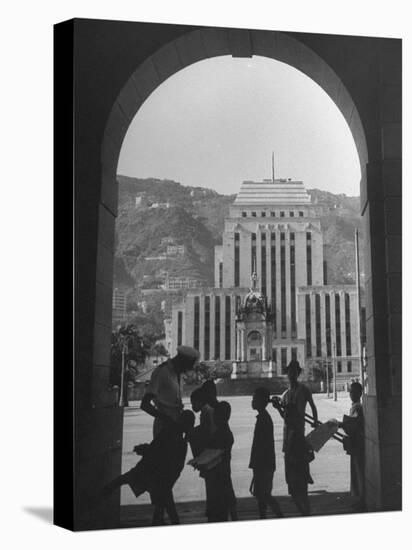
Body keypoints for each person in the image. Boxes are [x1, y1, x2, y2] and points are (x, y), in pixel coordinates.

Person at [103, 410, 195, 525]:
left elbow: (155, 449)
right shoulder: (181, 443)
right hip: (162, 479)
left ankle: (100, 496)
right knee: (166, 506)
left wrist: (143, 449)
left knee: (123, 480)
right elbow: (175, 467)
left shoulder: (169, 432)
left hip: (149, 471)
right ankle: (164, 522)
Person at [272, 360, 318, 516]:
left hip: (298, 433)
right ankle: (297, 491)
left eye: (294, 372)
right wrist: (279, 407)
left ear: (298, 374)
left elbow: (312, 406)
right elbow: (284, 416)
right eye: (289, 372)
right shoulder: (285, 394)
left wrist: (315, 422)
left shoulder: (304, 390)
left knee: (300, 469)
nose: (291, 375)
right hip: (288, 435)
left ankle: (304, 496)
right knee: (291, 475)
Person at [141, 345, 200, 436]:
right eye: (187, 366)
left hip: (177, 424)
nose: (187, 370)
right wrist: (165, 419)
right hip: (164, 427)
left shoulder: (178, 373)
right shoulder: (162, 372)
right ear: (182, 361)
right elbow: (145, 404)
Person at [249, 387, 283, 519]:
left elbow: (261, 446)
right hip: (263, 463)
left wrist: (256, 466)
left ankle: (278, 516)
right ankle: (263, 516)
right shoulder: (263, 417)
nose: (252, 401)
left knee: (264, 494)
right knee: (262, 495)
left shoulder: (263, 419)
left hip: (263, 464)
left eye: (254, 399)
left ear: (261, 401)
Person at [202, 401, 237, 522]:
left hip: (218, 476)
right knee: (229, 504)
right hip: (225, 474)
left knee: (218, 511)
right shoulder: (226, 433)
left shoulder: (220, 434)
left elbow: (213, 454)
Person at [340, 382, 365, 510]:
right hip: (357, 443)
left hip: (358, 444)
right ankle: (360, 498)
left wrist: (341, 425)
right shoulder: (355, 406)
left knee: (359, 472)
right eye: (350, 392)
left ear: (360, 393)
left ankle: (362, 499)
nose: (352, 394)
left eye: (354, 392)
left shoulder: (357, 407)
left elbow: (353, 425)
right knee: (357, 471)